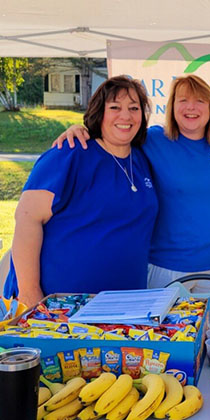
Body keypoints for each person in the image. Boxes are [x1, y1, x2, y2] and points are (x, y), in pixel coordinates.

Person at [53, 75, 210, 288]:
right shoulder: (152, 139)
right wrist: (80, 129)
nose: (191, 107)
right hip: (165, 266)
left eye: (200, 101)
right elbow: (113, 135)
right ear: (172, 106)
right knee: (163, 323)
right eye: (183, 100)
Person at [5, 76, 158, 307]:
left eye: (134, 108)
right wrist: (29, 293)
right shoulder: (72, 152)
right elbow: (27, 219)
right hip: (59, 306)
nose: (125, 116)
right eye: (114, 107)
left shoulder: (142, 159)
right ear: (99, 112)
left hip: (123, 306)